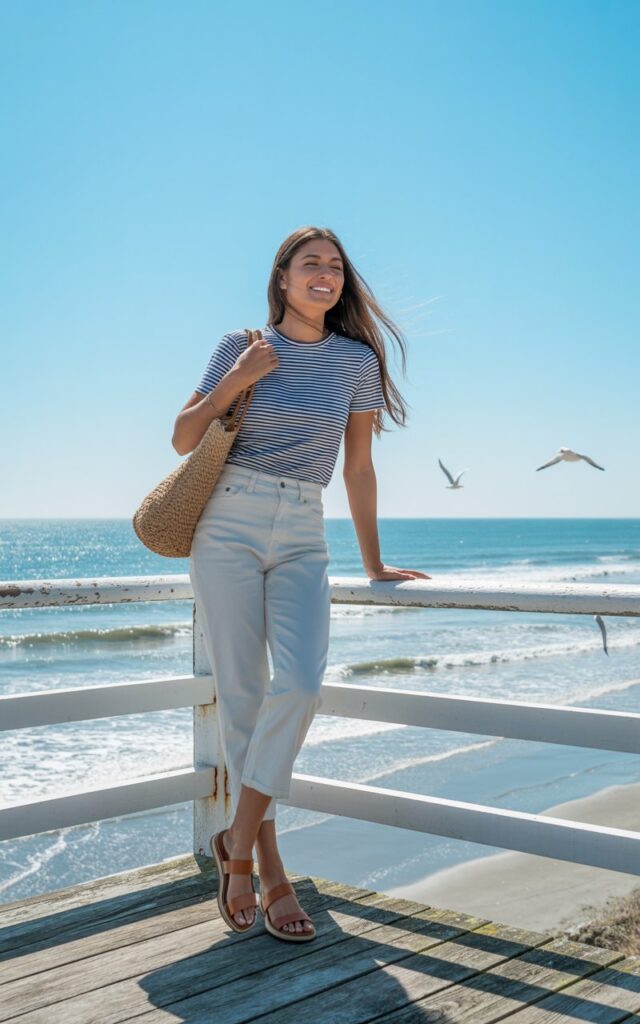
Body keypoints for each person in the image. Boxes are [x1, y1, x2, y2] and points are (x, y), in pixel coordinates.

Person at [172, 225, 430, 941]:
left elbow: (358, 468)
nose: (326, 275)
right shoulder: (243, 343)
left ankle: (236, 844)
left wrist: (374, 562)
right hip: (226, 521)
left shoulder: (356, 361)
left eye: (336, 267)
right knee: (246, 700)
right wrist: (239, 378)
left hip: (303, 528)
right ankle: (271, 868)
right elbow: (184, 437)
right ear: (282, 276)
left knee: (303, 683)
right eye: (311, 264)